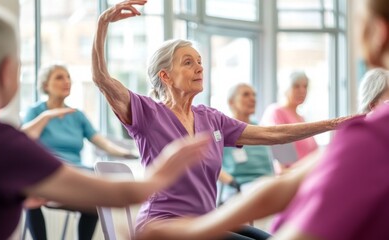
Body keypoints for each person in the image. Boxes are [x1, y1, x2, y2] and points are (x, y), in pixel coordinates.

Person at [92, 1, 347, 239]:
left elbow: (273, 134)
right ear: (166, 76)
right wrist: (103, 23)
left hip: (205, 222)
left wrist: (333, 124)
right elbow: (101, 79)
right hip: (165, 224)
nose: (199, 68)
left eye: (200, 62)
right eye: (188, 63)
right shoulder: (147, 112)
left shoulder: (211, 118)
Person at [0, 2, 211, 239]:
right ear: (6, 71)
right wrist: (165, 171)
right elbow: (120, 194)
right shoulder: (4, 143)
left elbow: (100, 142)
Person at [22, 64, 138, 240]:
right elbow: (24, 138)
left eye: (68, 77)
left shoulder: (77, 115)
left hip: (75, 174)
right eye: (59, 77)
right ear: (45, 85)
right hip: (49, 174)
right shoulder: (36, 111)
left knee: (96, 202)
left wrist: (129, 153)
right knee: (31, 191)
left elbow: (102, 142)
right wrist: (46, 117)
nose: (66, 81)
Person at [218, 84, 274, 203]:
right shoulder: (223, 130)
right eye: (246, 95)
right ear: (231, 102)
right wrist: (232, 182)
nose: (253, 99)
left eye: (254, 95)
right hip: (240, 187)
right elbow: (209, 165)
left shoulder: (260, 128)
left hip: (267, 184)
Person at [260, 71, 318, 163]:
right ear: (285, 88)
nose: (302, 91)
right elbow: (281, 157)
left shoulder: (301, 118)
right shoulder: (276, 111)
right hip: (292, 174)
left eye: (305, 86)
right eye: (296, 86)